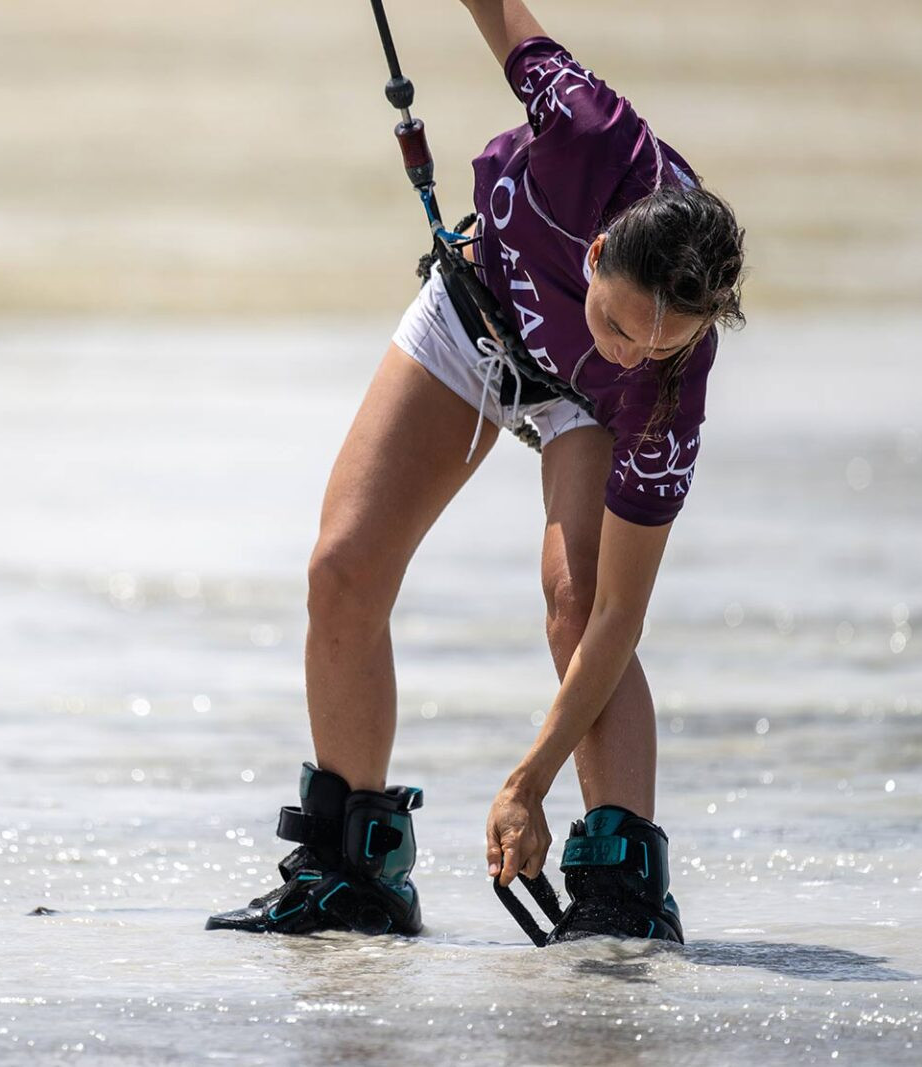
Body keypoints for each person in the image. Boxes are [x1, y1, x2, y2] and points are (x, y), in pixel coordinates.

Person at [206, 0, 745, 942]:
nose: (630, 354)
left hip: (579, 412)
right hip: (479, 309)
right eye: (617, 324)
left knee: (578, 605)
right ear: (596, 251)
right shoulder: (583, 126)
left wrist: (526, 781)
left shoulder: (659, 390)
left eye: (659, 346)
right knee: (341, 566)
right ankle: (357, 871)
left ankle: (625, 886)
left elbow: (620, 618)